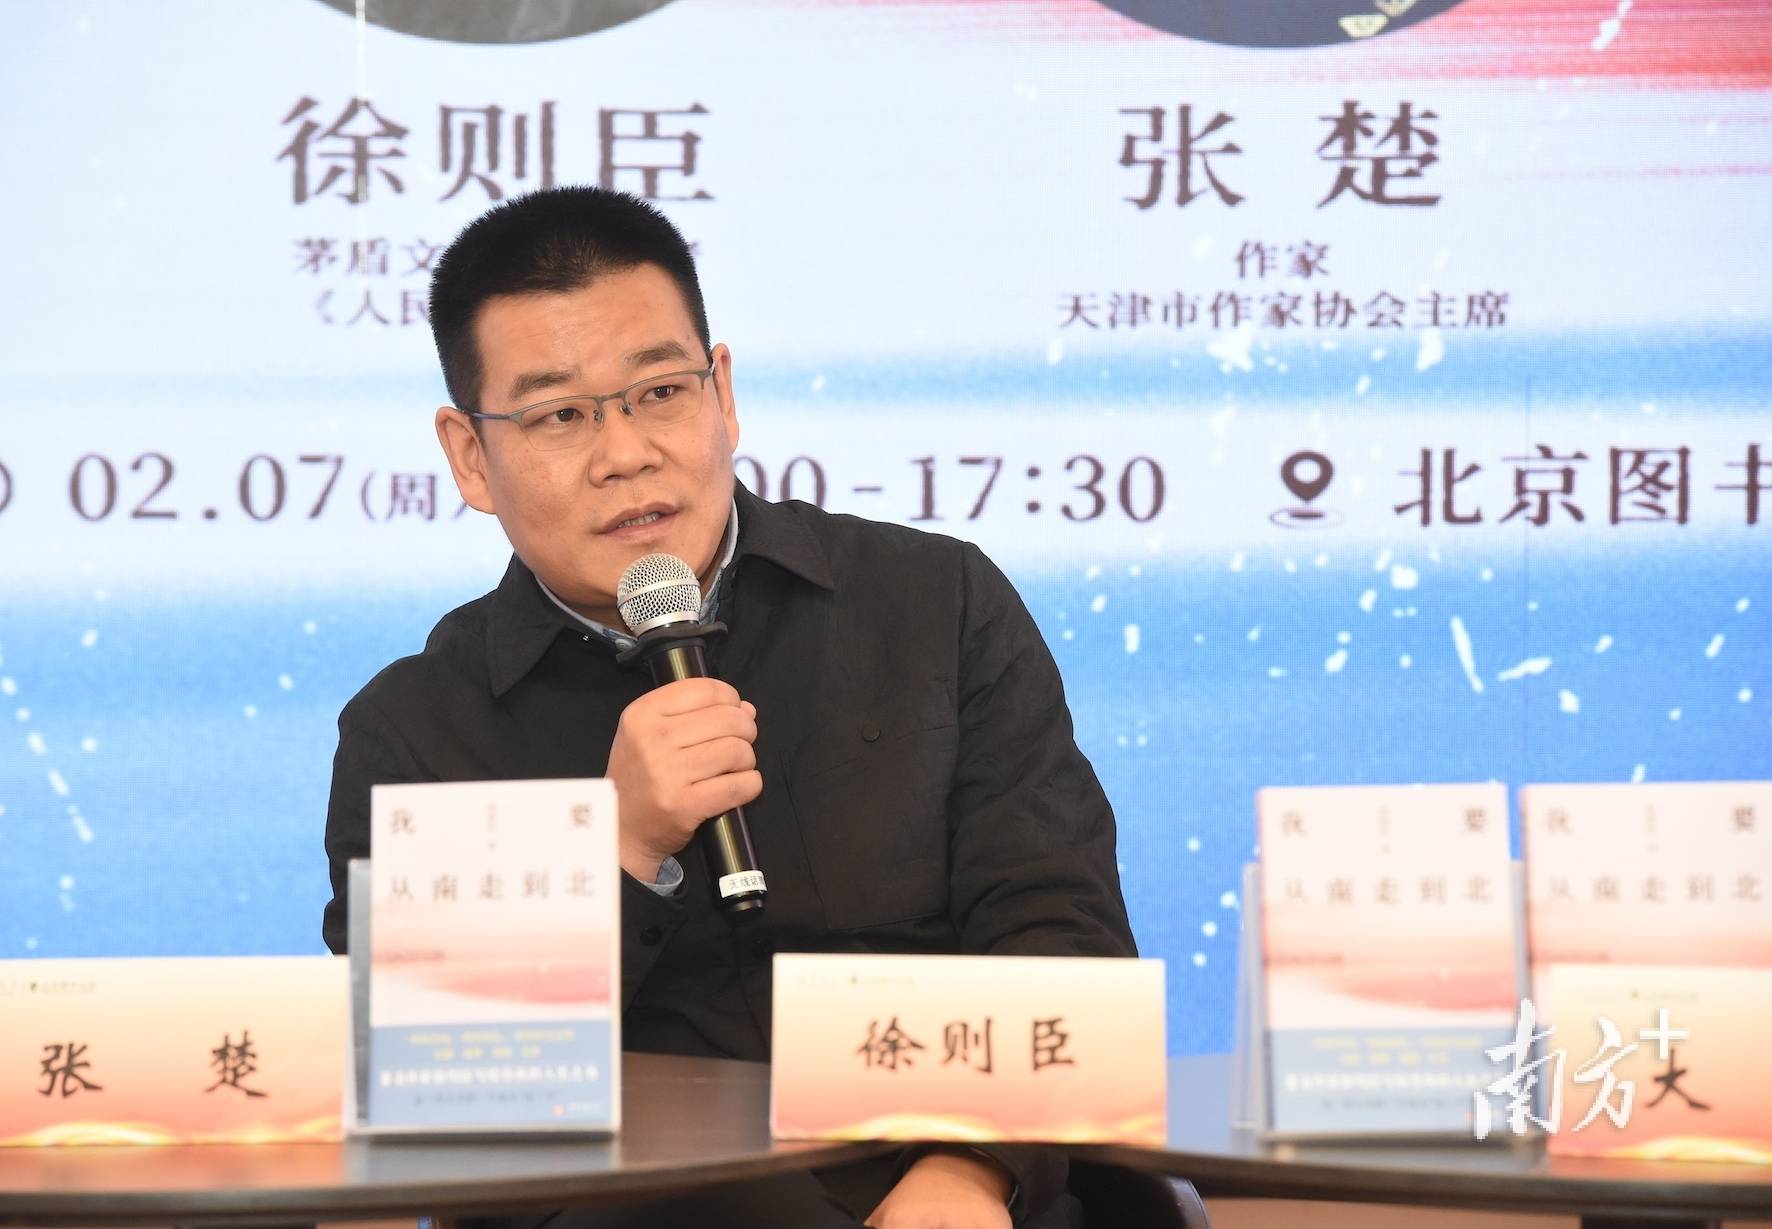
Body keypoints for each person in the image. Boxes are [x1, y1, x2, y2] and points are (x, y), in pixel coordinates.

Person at [322, 186, 1136, 1228]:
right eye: (560, 414)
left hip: (945, 1191)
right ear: (471, 455)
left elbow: (1060, 935)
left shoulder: (933, 604)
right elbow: (435, 1086)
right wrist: (614, 847)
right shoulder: (414, 731)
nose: (625, 452)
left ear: (723, 394)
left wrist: (970, 1170)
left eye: (660, 392)